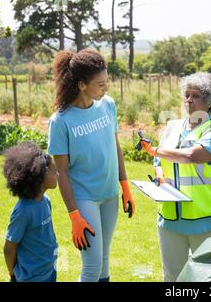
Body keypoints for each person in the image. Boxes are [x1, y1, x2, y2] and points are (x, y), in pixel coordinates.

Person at [138, 72, 211, 282]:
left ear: (210, 101)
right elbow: (159, 162)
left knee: (207, 278)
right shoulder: (173, 126)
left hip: (207, 221)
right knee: (172, 276)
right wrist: (159, 175)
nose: (189, 100)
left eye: (196, 96)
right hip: (171, 219)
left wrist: (155, 150)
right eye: (187, 95)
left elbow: (194, 156)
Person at [48, 49, 135, 282]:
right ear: (82, 85)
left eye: (106, 83)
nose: (105, 89)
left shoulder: (108, 105)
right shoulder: (60, 121)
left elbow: (115, 147)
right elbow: (62, 173)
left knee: (104, 260)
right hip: (84, 198)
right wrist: (74, 215)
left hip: (110, 195)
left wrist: (125, 186)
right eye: (100, 84)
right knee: (92, 266)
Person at [3, 142, 59, 282]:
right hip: (30, 277)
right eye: (54, 171)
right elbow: (9, 248)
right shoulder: (23, 211)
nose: (58, 174)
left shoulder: (46, 201)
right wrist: (13, 274)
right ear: (40, 176)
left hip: (49, 270)